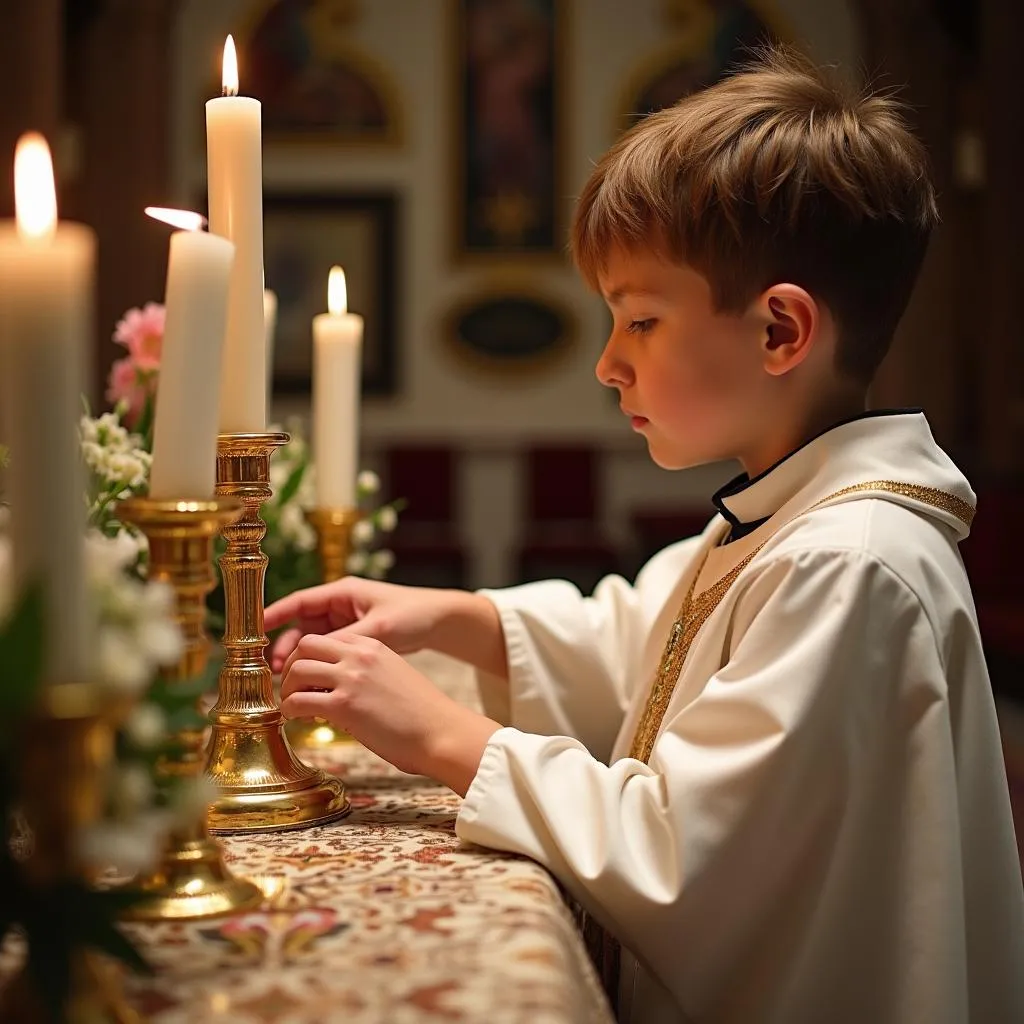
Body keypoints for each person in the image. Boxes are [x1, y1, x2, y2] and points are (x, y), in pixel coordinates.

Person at [265, 46, 1024, 1024]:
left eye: (640, 320)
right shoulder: (789, 514)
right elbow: (644, 646)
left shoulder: (850, 562)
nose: (607, 363)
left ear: (780, 331)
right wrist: (453, 616)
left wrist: (446, 733)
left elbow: (688, 853)